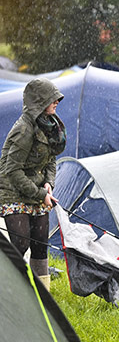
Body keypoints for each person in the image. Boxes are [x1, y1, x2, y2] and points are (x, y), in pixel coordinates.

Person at [0, 78, 66, 290]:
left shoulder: (49, 124)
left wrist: (48, 184)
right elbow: (12, 170)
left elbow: (51, 158)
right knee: (20, 244)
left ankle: (42, 298)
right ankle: (10, 293)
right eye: (52, 98)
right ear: (39, 101)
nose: (57, 102)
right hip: (12, 191)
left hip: (37, 189)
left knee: (40, 244)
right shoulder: (24, 130)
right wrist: (40, 194)